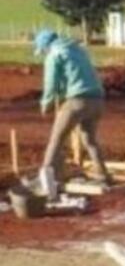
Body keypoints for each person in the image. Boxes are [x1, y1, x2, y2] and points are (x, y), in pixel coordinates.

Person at [34, 29, 110, 187]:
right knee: (89, 139)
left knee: (56, 139)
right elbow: (74, 76)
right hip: (97, 100)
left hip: (77, 100)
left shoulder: (54, 54)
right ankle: (103, 174)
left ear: (45, 46)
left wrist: (46, 103)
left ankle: (45, 180)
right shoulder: (79, 50)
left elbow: (51, 83)